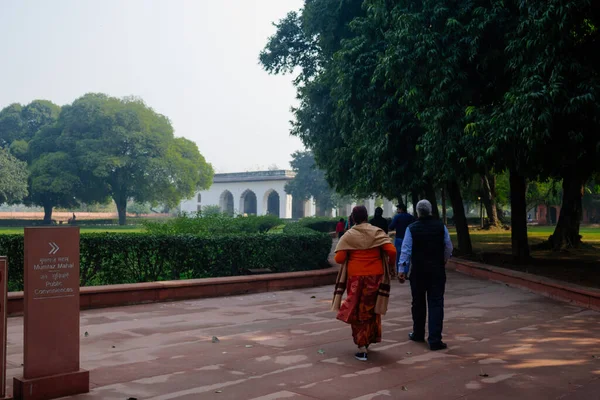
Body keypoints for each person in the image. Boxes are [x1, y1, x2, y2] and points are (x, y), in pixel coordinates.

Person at [332, 206, 396, 361]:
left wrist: (352, 252)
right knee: (371, 309)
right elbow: (392, 251)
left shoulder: (349, 235)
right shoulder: (376, 232)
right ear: (367, 217)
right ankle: (367, 341)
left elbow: (339, 259)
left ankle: (362, 347)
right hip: (375, 277)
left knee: (357, 311)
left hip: (356, 278)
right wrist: (390, 266)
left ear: (353, 218)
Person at [397, 200, 453, 351]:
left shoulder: (412, 229)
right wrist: (444, 260)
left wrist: (402, 270)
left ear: (417, 212)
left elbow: (406, 250)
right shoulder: (441, 226)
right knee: (436, 303)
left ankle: (418, 333)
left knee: (418, 303)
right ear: (430, 211)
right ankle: (435, 339)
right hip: (437, 271)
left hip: (418, 271)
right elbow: (448, 246)